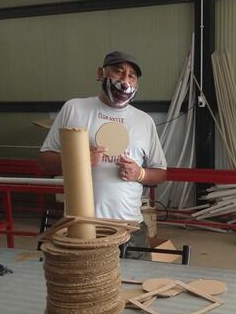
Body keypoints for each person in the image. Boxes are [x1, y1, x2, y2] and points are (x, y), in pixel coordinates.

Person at [38, 51, 167, 257]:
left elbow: (160, 172)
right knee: (87, 287)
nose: (125, 80)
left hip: (130, 227)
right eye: (118, 72)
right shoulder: (75, 108)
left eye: (132, 75)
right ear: (101, 73)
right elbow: (44, 161)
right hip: (83, 227)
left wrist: (140, 174)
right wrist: (77, 160)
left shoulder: (144, 121)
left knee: (138, 284)